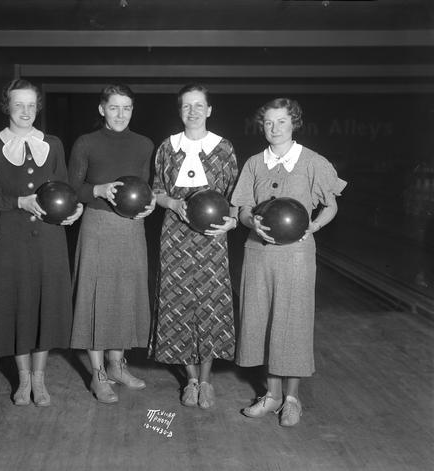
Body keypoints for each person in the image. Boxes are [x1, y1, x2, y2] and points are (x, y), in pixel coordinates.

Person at [232, 97, 346, 427]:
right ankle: (271, 396)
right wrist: (251, 222)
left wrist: (313, 225)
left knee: (292, 322)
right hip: (259, 253)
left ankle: (292, 399)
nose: (274, 128)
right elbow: (241, 209)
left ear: (293, 122)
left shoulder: (312, 161)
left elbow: (331, 205)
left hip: (297, 254)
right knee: (263, 320)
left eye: (281, 121)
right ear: (261, 126)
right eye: (268, 123)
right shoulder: (254, 163)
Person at [0, 79, 83, 407]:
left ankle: (40, 380)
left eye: (30, 105)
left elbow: (65, 188)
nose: (24, 111)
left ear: (37, 107)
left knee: (45, 305)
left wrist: (74, 210)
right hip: (10, 239)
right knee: (17, 306)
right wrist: (18, 202)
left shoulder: (52, 144)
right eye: (17, 104)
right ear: (6, 107)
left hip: (49, 239)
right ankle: (23, 379)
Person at [150, 84, 238, 409]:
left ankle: (207, 381)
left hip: (212, 237)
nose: (193, 111)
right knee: (178, 304)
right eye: (187, 106)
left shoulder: (224, 148)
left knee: (211, 304)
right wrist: (171, 203)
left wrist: (233, 220)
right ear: (180, 110)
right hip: (175, 236)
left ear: (209, 110)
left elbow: (235, 197)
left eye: (199, 105)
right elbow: (156, 191)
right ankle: (190, 379)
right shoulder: (167, 147)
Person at [69, 84, 155, 404]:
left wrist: (148, 206)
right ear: (102, 109)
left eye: (127, 108)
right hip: (98, 225)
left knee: (123, 295)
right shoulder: (86, 143)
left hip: (132, 228)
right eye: (114, 107)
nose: (120, 114)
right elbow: (72, 187)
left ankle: (117, 366)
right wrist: (99, 190)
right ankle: (98, 374)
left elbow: (145, 187)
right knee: (96, 296)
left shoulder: (144, 144)